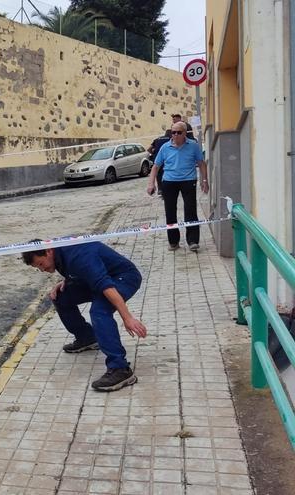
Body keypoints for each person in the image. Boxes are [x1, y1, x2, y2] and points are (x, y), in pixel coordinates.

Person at [22, 241, 147, 392]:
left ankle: (120, 369)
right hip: (97, 279)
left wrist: (127, 317)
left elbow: (105, 285)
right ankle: (87, 338)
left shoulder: (79, 256)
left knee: (99, 311)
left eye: (41, 264)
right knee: (60, 296)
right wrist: (68, 282)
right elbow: (82, 272)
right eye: (38, 268)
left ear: (48, 251)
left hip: (122, 278)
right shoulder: (59, 253)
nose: (43, 270)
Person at [148, 121, 208, 251]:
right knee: (170, 211)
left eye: (178, 132)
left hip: (188, 180)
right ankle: (173, 242)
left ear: (185, 133)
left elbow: (201, 163)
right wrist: (151, 183)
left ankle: (192, 241)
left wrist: (205, 181)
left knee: (190, 210)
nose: (175, 135)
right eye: (173, 132)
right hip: (169, 182)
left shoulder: (193, 146)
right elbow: (156, 166)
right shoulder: (165, 147)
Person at [148, 129, 172, 198]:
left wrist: (153, 153)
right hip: (167, 159)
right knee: (167, 174)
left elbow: (149, 149)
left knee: (158, 175)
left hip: (157, 159)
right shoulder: (170, 139)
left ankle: (160, 190)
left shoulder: (157, 139)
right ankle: (168, 189)